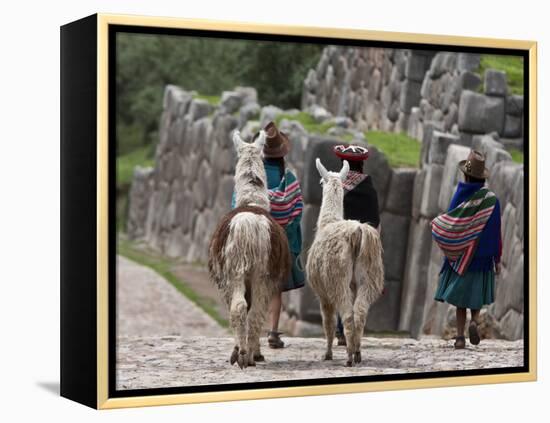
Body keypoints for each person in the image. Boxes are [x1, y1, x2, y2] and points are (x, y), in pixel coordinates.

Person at [231, 121, 305, 349]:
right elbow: (297, 211)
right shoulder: (289, 177)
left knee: (244, 281)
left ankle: (245, 337)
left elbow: (237, 205)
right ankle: (273, 332)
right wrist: (287, 239)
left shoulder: (252, 176)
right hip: (278, 239)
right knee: (273, 288)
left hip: (248, 232)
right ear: (281, 152)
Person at [431, 150, 502, 349]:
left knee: (461, 301)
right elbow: (497, 232)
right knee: (476, 297)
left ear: (465, 174)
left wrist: (437, 226)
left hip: (461, 257)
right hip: (483, 258)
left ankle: (460, 337)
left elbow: (451, 222)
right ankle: (475, 320)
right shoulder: (492, 200)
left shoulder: (460, 194)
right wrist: (497, 259)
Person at [332, 144, 380, 346]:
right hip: (363, 242)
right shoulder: (369, 188)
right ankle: (352, 329)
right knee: (358, 285)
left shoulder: (337, 187)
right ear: (361, 165)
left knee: (341, 284)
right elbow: (375, 219)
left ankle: (341, 329)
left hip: (341, 241)